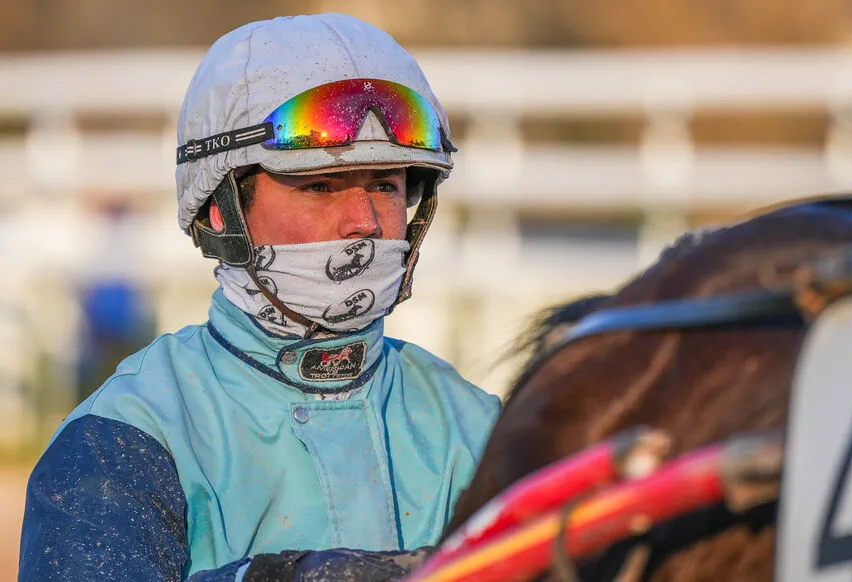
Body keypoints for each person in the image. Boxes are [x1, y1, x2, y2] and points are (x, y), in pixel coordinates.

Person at [19, 13, 501, 582]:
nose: (365, 222)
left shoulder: (477, 426)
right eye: (319, 186)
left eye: (385, 185)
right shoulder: (121, 437)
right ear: (219, 211)